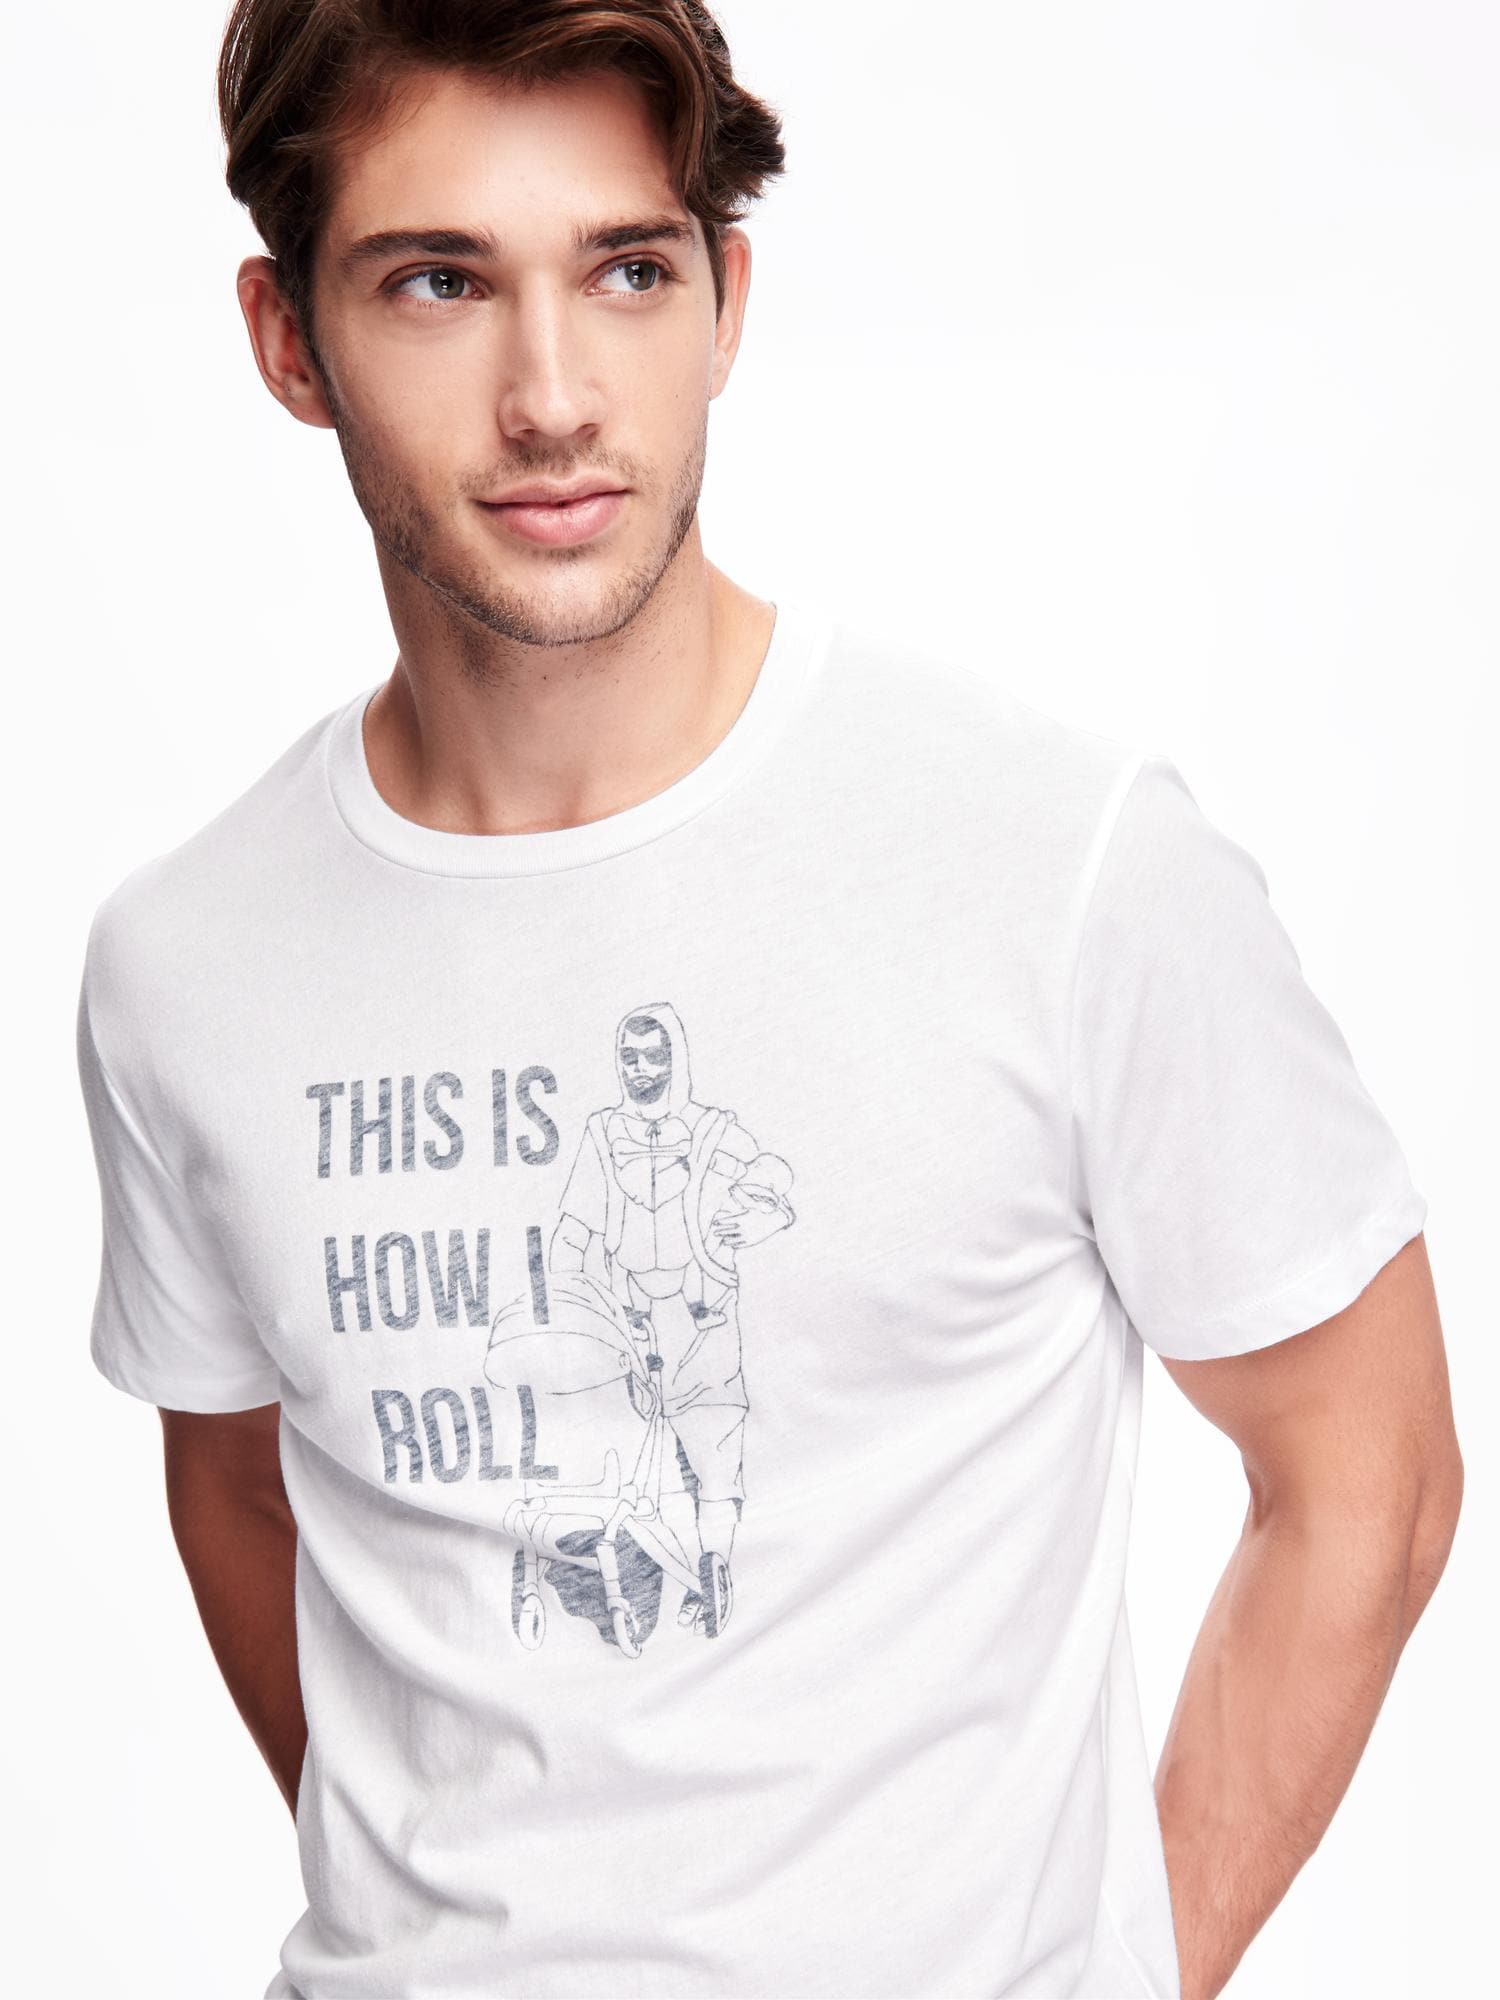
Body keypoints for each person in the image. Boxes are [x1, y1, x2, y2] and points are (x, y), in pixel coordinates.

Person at [74, 3, 1462, 1997]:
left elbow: (1369, 1475)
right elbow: (238, 1491)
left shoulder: (1055, 860)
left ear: (726, 301)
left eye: (626, 271)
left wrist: (1125, 1970)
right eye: (439, 282)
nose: (553, 396)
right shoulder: (185, 962)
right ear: (290, 341)